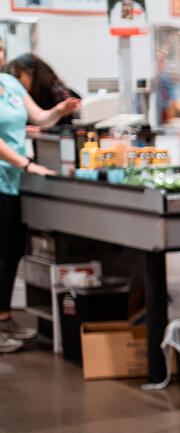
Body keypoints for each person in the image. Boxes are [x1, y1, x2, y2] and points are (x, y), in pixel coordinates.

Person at [0, 43, 79, 353]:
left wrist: (60, 111)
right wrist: (28, 164)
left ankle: (4, 317)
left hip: (14, 182)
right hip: (7, 176)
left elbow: (39, 117)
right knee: (2, 253)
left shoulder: (10, 83)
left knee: (12, 251)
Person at [3, 54, 80, 126]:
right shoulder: (25, 95)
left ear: (32, 73)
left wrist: (42, 130)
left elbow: (68, 127)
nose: (17, 82)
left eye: (18, 76)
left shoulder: (57, 92)